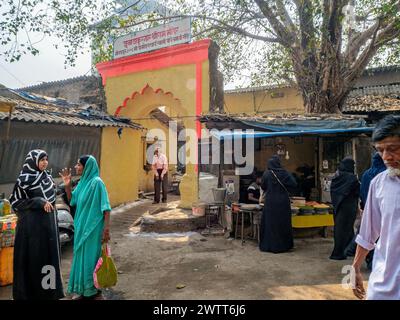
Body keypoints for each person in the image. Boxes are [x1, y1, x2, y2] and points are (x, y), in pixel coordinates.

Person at [352, 115, 400, 300]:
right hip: (384, 285)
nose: (386, 157)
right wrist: (355, 267)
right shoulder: (379, 183)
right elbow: (368, 231)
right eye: (380, 151)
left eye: (393, 149)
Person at [9, 149, 64, 300]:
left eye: (46, 159)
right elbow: (15, 202)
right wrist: (37, 202)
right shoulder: (23, 179)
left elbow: (52, 196)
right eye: (41, 160)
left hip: (49, 226)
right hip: (31, 229)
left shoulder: (47, 177)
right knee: (34, 260)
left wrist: (64, 186)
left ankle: (50, 293)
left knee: (49, 260)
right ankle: (31, 295)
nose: (45, 162)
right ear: (33, 161)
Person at [59, 155, 111, 300]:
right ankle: (84, 290)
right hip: (81, 227)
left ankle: (94, 291)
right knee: (81, 258)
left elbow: (106, 208)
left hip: (94, 229)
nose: (76, 167)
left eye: (78, 164)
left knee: (91, 259)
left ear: (87, 166)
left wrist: (106, 230)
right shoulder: (82, 182)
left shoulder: (97, 183)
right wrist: (67, 185)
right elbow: (72, 201)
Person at [345, 153, 386, 268]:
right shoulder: (386, 174)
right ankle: (373, 262)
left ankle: (367, 259)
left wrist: (363, 205)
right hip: (382, 211)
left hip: (368, 206)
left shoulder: (366, 174)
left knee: (368, 235)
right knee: (379, 238)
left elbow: (362, 191)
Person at [259, 155, 297, 253]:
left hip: (270, 202)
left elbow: (263, 186)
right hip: (283, 202)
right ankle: (284, 246)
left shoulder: (267, 174)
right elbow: (294, 184)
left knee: (271, 224)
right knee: (282, 223)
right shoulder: (285, 173)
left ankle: (270, 246)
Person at [329, 157, 360, 260]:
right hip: (349, 206)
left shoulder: (337, 177)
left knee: (340, 228)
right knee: (346, 228)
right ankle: (339, 253)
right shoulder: (352, 178)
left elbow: (333, 191)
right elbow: (357, 192)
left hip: (338, 206)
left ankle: (348, 249)